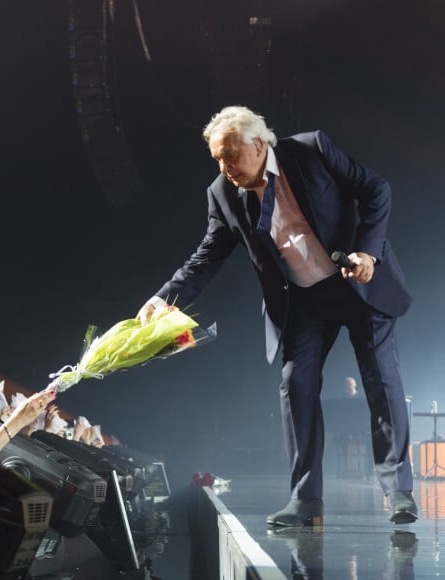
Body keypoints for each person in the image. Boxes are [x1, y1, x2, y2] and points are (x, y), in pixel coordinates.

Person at [137, 106, 417, 526]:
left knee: (380, 377)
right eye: (217, 158)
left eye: (230, 155)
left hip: (355, 281)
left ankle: (399, 492)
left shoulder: (310, 150)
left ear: (257, 145)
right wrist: (165, 297)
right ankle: (305, 500)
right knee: (296, 386)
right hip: (303, 300)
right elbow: (208, 255)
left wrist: (368, 251)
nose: (224, 166)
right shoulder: (222, 194)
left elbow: (377, 189)